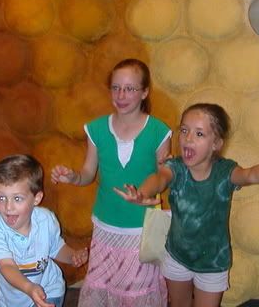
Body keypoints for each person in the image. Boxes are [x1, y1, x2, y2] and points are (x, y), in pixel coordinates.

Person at [115, 102, 259, 307]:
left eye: (199, 134)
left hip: (213, 263)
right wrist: (142, 193)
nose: (188, 138)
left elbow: (249, 175)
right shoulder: (175, 167)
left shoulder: (225, 172)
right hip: (177, 256)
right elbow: (159, 179)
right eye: (184, 130)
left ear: (216, 143)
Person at [51, 58, 172, 307]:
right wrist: (73, 177)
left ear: (144, 92)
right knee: (103, 288)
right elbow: (87, 173)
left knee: (137, 293)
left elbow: (163, 178)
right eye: (116, 88)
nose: (121, 95)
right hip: (106, 226)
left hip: (142, 228)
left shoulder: (159, 131)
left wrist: (142, 193)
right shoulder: (96, 129)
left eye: (130, 88)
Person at [0, 154, 88, 307]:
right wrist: (29, 288)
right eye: (2, 198)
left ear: (36, 199)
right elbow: (6, 265)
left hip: (49, 291)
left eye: (17, 198)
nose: (8, 207)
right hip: (11, 301)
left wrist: (72, 256)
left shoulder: (46, 219)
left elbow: (56, 248)